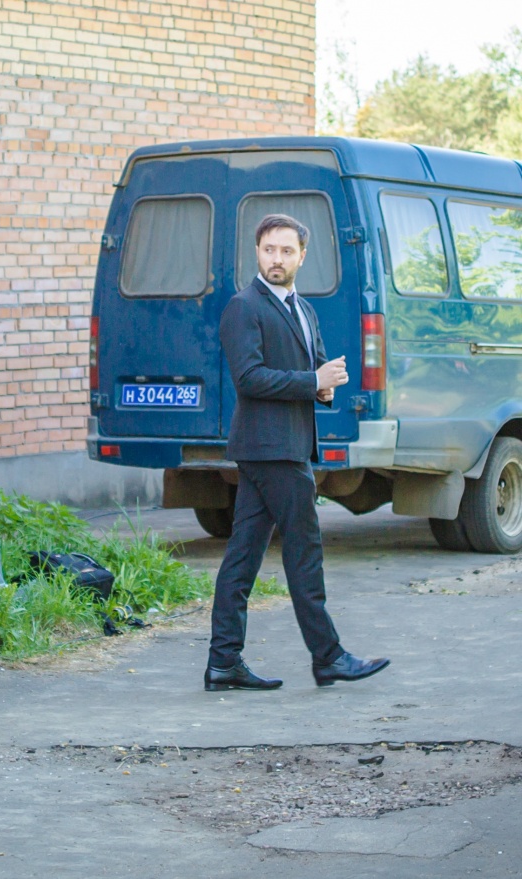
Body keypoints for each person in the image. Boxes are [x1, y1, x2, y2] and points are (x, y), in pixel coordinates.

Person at [205, 213, 390, 691]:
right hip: (271, 450)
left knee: (242, 558)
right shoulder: (243, 307)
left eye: (286, 251)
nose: (277, 259)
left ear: (302, 256)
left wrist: (325, 387)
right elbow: (249, 378)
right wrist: (312, 381)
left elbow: (314, 370)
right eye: (269, 249)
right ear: (257, 252)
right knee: (304, 552)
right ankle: (329, 657)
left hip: (283, 446)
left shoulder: (303, 309)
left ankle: (223, 662)